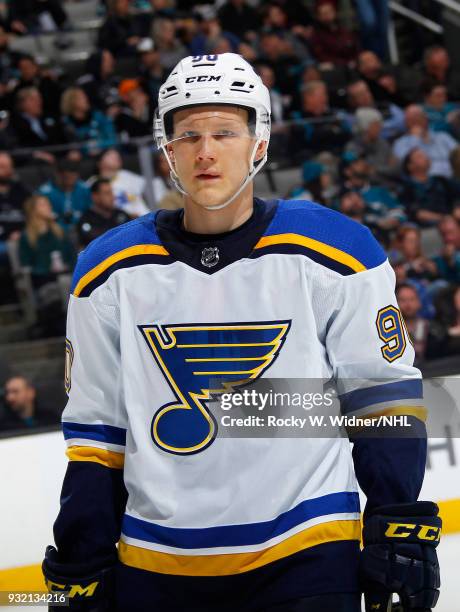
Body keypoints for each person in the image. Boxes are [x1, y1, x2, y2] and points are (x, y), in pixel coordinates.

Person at [43, 53, 440, 612]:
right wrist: (82, 554)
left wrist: (396, 519)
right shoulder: (108, 271)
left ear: (259, 144)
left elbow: (382, 400)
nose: (206, 151)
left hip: (307, 552)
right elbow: (98, 433)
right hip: (157, 564)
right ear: (167, 152)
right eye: (189, 135)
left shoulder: (337, 252)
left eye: (225, 132)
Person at [393, 105, 459, 178]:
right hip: (426, 181)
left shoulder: (442, 136)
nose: (415, 122)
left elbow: (457, 154)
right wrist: (415, 138)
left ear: (425, 119)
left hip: (452, 179)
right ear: (405, 123)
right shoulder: (400, 143)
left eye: (417, 117)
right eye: (410, 120)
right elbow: (406, 164)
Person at [89, 148, 150, 217]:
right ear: (99, 162)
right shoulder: (92, 183)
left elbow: (151, 186)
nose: (116, 157)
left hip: (146, 217)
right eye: (110, 155)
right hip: (118, 222)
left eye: (117, 156)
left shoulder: (126, 175)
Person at [37, 158, 92, 230]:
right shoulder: (45, 193)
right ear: (58, 175)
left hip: (81, 229)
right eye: (67, 178)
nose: (71, 182)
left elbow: (91, 211)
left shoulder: (84, 189)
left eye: (74, 178)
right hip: (54, 230)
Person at [60, 87, 117, 157]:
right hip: (83, 160)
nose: (86, 100)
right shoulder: (66, 124)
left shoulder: (98, 116)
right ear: (72, 102)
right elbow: (70, 145)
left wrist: (99, 146)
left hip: (104, 154)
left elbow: (111, 138)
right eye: (82, 98)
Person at [77, 179, 131, 247]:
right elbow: (97, 244)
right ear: (95, 197)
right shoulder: (86, 220)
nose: (112, 197)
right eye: (107, 193)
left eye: (111, 192)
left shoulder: (121, 214)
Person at [0, 152, 30, 249]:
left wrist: (22, 233)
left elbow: (33, 215)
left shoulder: (21, 190)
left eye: (10, 166)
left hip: (22, 238)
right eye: (2, 167)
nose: (8, 170)